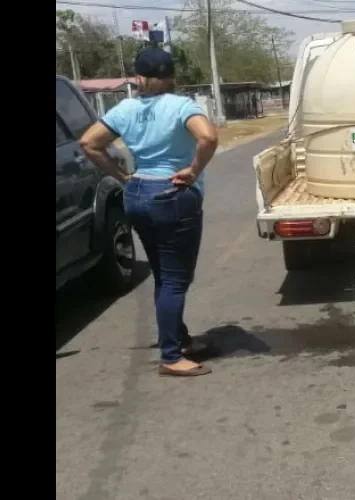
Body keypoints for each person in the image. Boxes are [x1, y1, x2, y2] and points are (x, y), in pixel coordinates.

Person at [80, 47, 219, 377]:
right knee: (175, 279)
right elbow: (208, 136)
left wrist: (121, 176)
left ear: (139, 78)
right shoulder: (182, 106)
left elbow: (89, 142)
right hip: (172, 193)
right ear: (172, 77)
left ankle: (179, 338)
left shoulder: (125, 108)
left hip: (138, 191)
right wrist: (194, 170)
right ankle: (171, 355)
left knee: (164, 272)